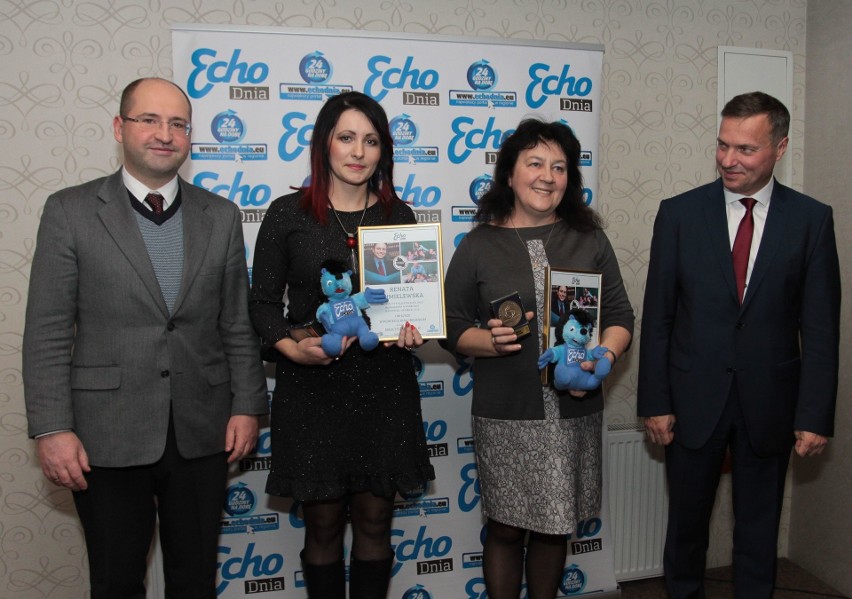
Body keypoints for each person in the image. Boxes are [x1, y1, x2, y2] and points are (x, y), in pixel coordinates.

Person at [22, 77, 269, 598]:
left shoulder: (220, 215)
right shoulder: (69, 211)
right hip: (104, 435)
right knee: (115, 581)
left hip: (202, 431)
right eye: (149, 120)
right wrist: (51, 429)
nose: (165, 134)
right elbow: (46, 330)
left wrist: (248, 405)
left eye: (178, 123)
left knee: (195, 578)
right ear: (120, 128)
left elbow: (235, 323)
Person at [638, 91, 840, 598]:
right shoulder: (679, 214)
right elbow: (659, 316)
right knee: (686, 531)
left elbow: (819, 327)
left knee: (758, 532)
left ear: (780, 147)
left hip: (770, 403)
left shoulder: (811, 221)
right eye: (722, 145)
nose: (729, 159)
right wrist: (655, 401)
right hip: (691, 400)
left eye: (745, 149)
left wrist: (815, 413)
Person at [248, 91, 435, 599]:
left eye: (371, 140)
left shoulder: (400, 216)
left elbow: (407, 304)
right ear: (324, 144)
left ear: (383, 151)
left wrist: (411, 328)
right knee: (323, 529)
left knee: (376, 527)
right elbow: (262, 305)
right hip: (312, 392)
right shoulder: (287, 214)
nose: (358, 151)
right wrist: (289, 347)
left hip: (385, 390)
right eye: (347, 137)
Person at [443, 119, 634, 599]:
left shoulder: (589, 239)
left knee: (555, 527)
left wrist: (606, 354)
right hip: (506, 412)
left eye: (559, 166)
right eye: (535, 163)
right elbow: (450, 325)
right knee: (506, 528)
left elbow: (619, 315)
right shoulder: (477, 245)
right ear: (509, 173)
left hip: (574, 410)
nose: (547, 176)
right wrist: (487, 342)